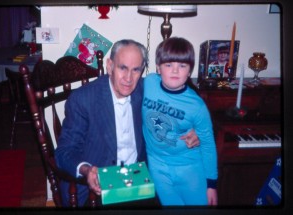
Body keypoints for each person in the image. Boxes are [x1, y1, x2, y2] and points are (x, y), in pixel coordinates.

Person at [55, 39, 199, 207]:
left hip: (139, 178)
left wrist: (194, 128)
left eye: (136, 70)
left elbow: (185, 97)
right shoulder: (83, 99)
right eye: (122, 68)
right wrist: (87, 170)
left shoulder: (147, 91)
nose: (129, 78)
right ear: (110, 66)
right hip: (96, 188)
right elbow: (65, 151)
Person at [142, 37, 218, 206]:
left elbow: (208, 144)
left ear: (189, 71)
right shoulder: (149, 83)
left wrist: (212, 184)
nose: (175, 71)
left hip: (190, 168)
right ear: (158, 67)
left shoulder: (196, 105)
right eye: (168, 65)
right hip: (157, 168)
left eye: (182, 66)